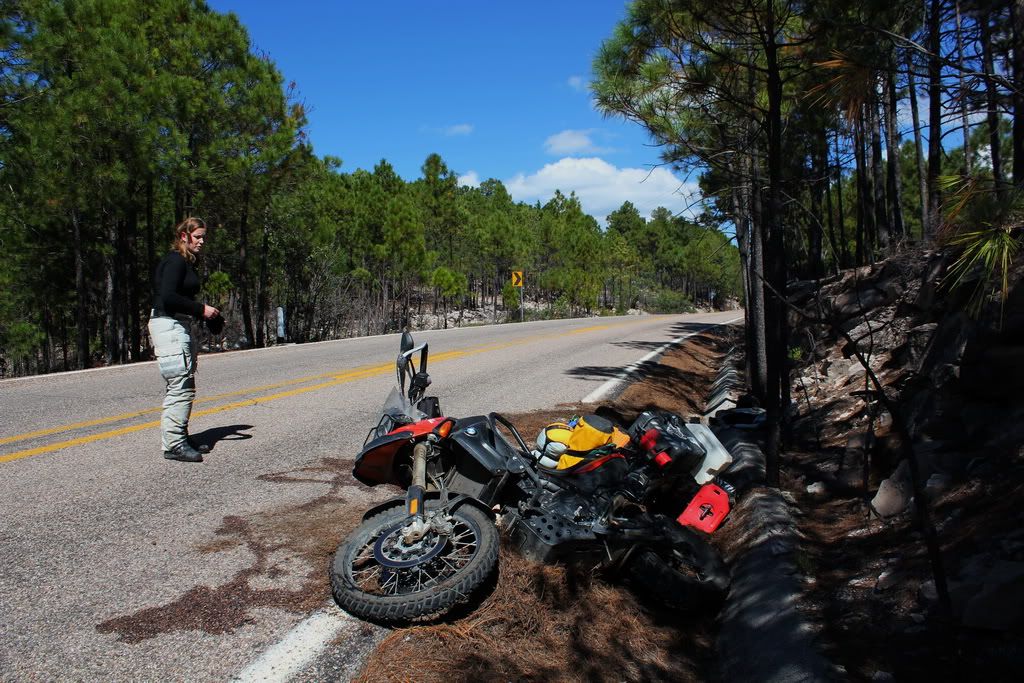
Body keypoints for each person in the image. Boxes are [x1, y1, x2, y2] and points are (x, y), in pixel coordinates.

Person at [148, 217, 220, 463]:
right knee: (180, 385)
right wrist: (202, 309)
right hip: (168, 325)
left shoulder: (184, 261)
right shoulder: (176, 261)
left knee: (183, 384)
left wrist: (204, 315)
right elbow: (168, 297)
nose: (201, 241)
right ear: (184, 236)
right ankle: (174, 444)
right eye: (197, 236)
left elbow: (177, 298)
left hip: (177, 324)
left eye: (203, 237)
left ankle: (179, 435)